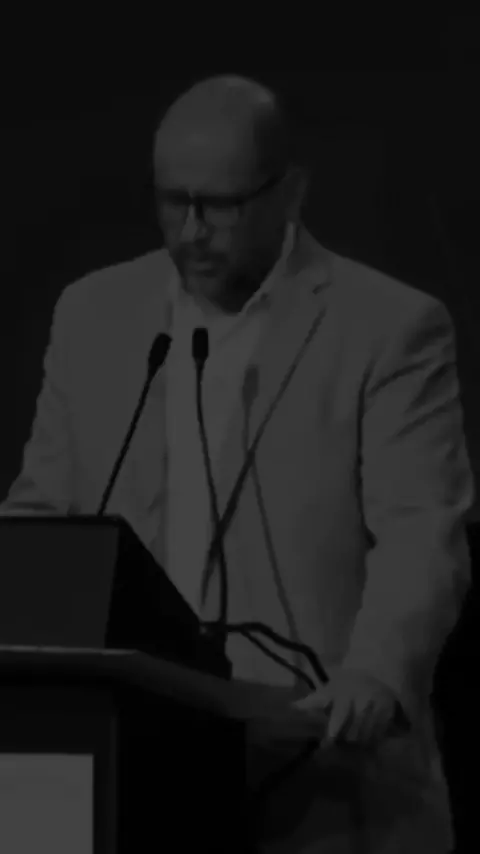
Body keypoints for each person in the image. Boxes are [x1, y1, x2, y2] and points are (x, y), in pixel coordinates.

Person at [0, 75, 474, 853]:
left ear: (290, 192)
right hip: (125, 766)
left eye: (219, 206)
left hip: (320, 761)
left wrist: (378, 674)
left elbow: (421, 533)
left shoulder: (389, 328)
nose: (191, 231)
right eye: (172, 201)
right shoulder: (93, 314)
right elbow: (42, 518)